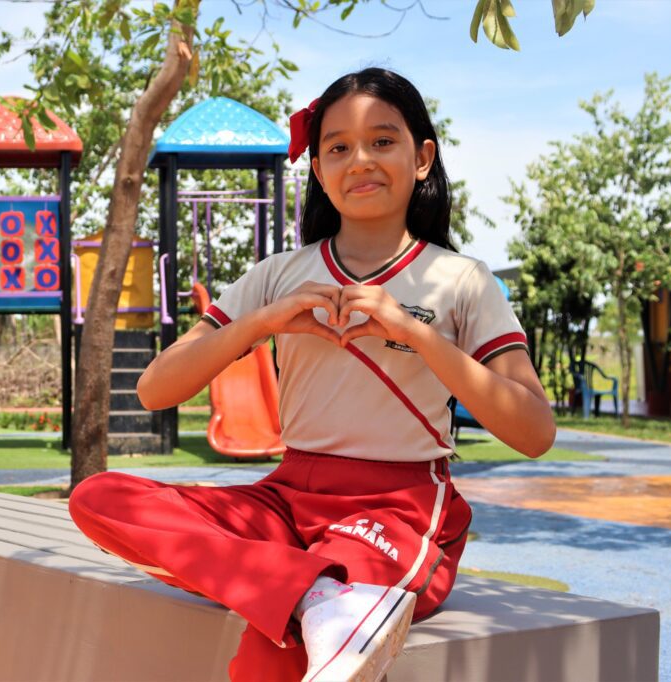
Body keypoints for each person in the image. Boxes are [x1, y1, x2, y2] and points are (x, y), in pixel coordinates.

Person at [69, 67, 555, 682]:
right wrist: (262, 322)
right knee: (102, 498)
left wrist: (413, 332)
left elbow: (535, 431)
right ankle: (316, 594)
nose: (361, 160)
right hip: (285, 500)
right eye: (338, 147)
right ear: (319, 171)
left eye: (383, 141)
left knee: (279, 641)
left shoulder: (460, 280)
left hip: (397, 510)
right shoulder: (279, 274)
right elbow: (154, 388)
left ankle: (310, 593)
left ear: (422, 158)